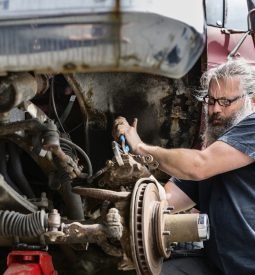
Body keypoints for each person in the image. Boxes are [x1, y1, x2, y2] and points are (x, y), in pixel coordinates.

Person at [112, 59, 255, 275]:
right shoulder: (214, 155)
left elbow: (198, 165)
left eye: (225, 102)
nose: (215, 110)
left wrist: (141, 147)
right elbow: (164, 201)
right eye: (211, 100)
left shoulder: (252, 128)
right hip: (215, 265)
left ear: (251, 102)